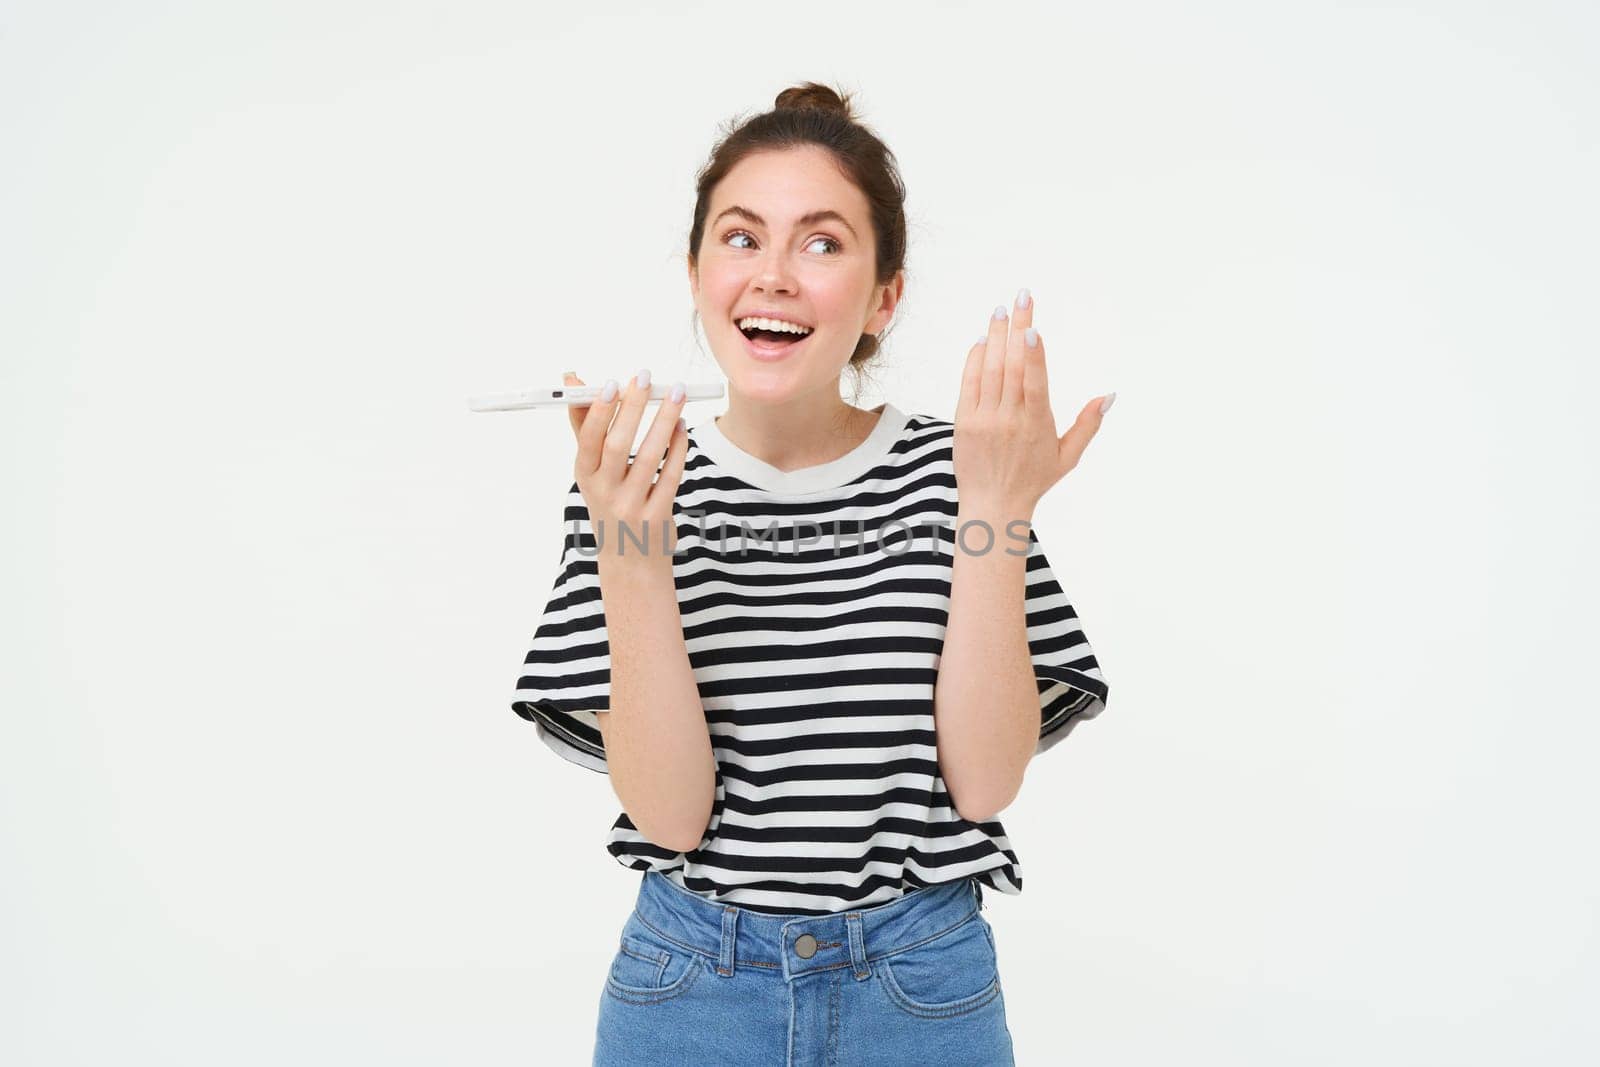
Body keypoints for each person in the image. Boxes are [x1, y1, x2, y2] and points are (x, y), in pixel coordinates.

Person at [510, 81, 1115, 1067]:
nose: (775, 275)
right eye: (741, 237)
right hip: (690, 991)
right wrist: (631, 552)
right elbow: (669, 815)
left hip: (922, 987)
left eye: (822, 242)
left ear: (884, 296)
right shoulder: (627, 483)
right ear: (698, 270)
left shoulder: (965, 470)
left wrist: (998, 514)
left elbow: (983, 782)